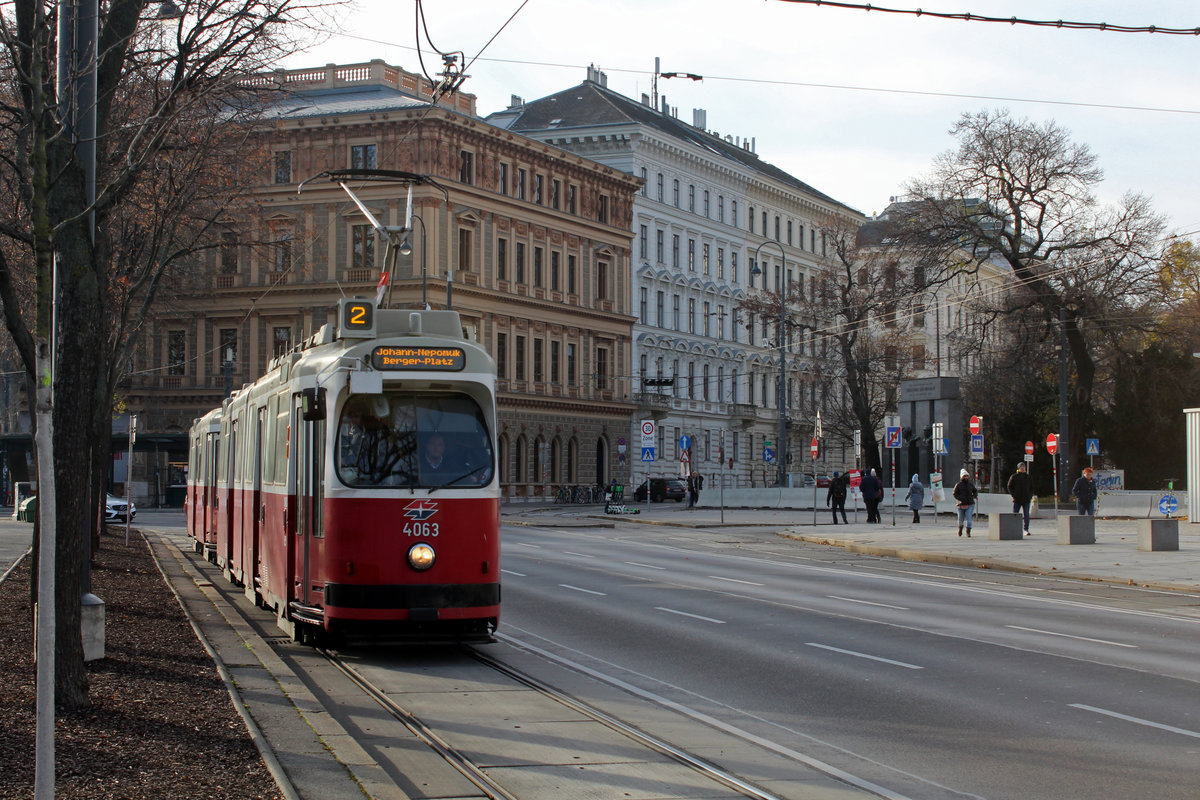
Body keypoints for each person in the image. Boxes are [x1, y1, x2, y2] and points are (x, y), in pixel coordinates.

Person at [1007, 462, 1033, 535]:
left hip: (1026, 499)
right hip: (1017, 499)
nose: (1022, 468)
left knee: (1026, 515)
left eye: (1023, 467)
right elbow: (1009, 486)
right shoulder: (1014, 476)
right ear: (1018, 468)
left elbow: (1032, 487)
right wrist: (1013, 495)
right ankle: (1014, 528)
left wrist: (1030, 495)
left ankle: (1026, 529)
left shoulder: (1028, 477)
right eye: (1021, 467)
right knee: (1015, 514)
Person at [953, 468, 978, 537]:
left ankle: (968, 531)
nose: (966, 477)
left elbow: (975, 491)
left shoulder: (970, 484)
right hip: (961, 505)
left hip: (970, 504)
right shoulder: (958, 485)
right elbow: (955, 494)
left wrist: (975, 496)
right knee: (960, 519)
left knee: (969, 518)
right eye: (964, 476)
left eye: (967, 476)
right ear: (962, 477)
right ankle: (960, 528)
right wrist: (960, 499)